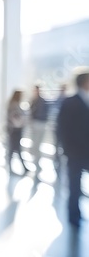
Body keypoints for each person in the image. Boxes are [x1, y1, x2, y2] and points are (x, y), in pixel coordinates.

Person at [57, 71, 89, 228]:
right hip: (75, 152)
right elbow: (62, 128)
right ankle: (73, 215)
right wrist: (67, 149)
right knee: (74, 185)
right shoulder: (70, 102)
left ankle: (78, 213)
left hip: (86, 151)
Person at [6, 90, 29, 175]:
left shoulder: (15, 104)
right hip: (14, 130)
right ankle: (20, 167)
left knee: (15, 150)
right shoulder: (13, 105)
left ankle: (23, 167)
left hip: (16, 130)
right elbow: (14, 117)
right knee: (14, 149)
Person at [29, 85, 49, 173]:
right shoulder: (33, 101)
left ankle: (37, 162)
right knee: (34, 144)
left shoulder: (42, 101)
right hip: (35, 123)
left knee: (37, 144)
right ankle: (36, 161)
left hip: (41, 124)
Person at [53, 84, 67, 172]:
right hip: (59, 126)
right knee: (58, 145)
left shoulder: (66, 100)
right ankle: (57, 159)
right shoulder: (60, 99)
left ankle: (59, 159)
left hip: (62, 127)